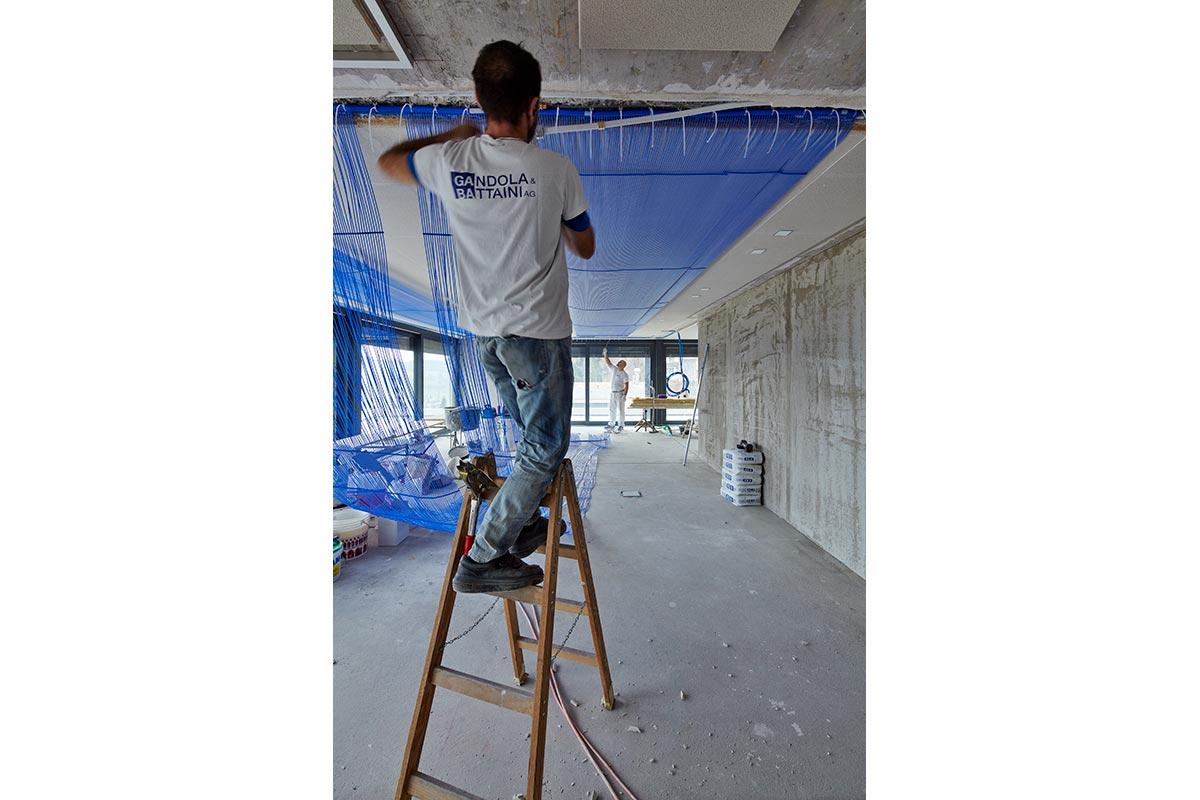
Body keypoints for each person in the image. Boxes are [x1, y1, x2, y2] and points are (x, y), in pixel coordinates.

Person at [376, 40, 596, 593]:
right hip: (537, 337)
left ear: (478, 100)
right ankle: (484, 555)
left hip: (487, 337)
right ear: (534, 105)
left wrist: (449, 138)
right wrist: (553, 221)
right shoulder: (555, 169)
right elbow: (586, 246)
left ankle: (523, 525)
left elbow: (390, 163)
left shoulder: (450, 161)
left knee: (530, 440)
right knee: (545, 448)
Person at [602, 349, 629, 433]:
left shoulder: (624, 374)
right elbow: (608, 363)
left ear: (623, 365)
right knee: (612, 409)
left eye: (620, 362)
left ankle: (621, 425)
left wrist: (625, 395)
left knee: (621, 410)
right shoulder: (615, 369)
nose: (618, 363)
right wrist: (605, 354)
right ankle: (611, 424)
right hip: (613, 393)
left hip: (620, 393)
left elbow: (627, 385)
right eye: (619, 362)